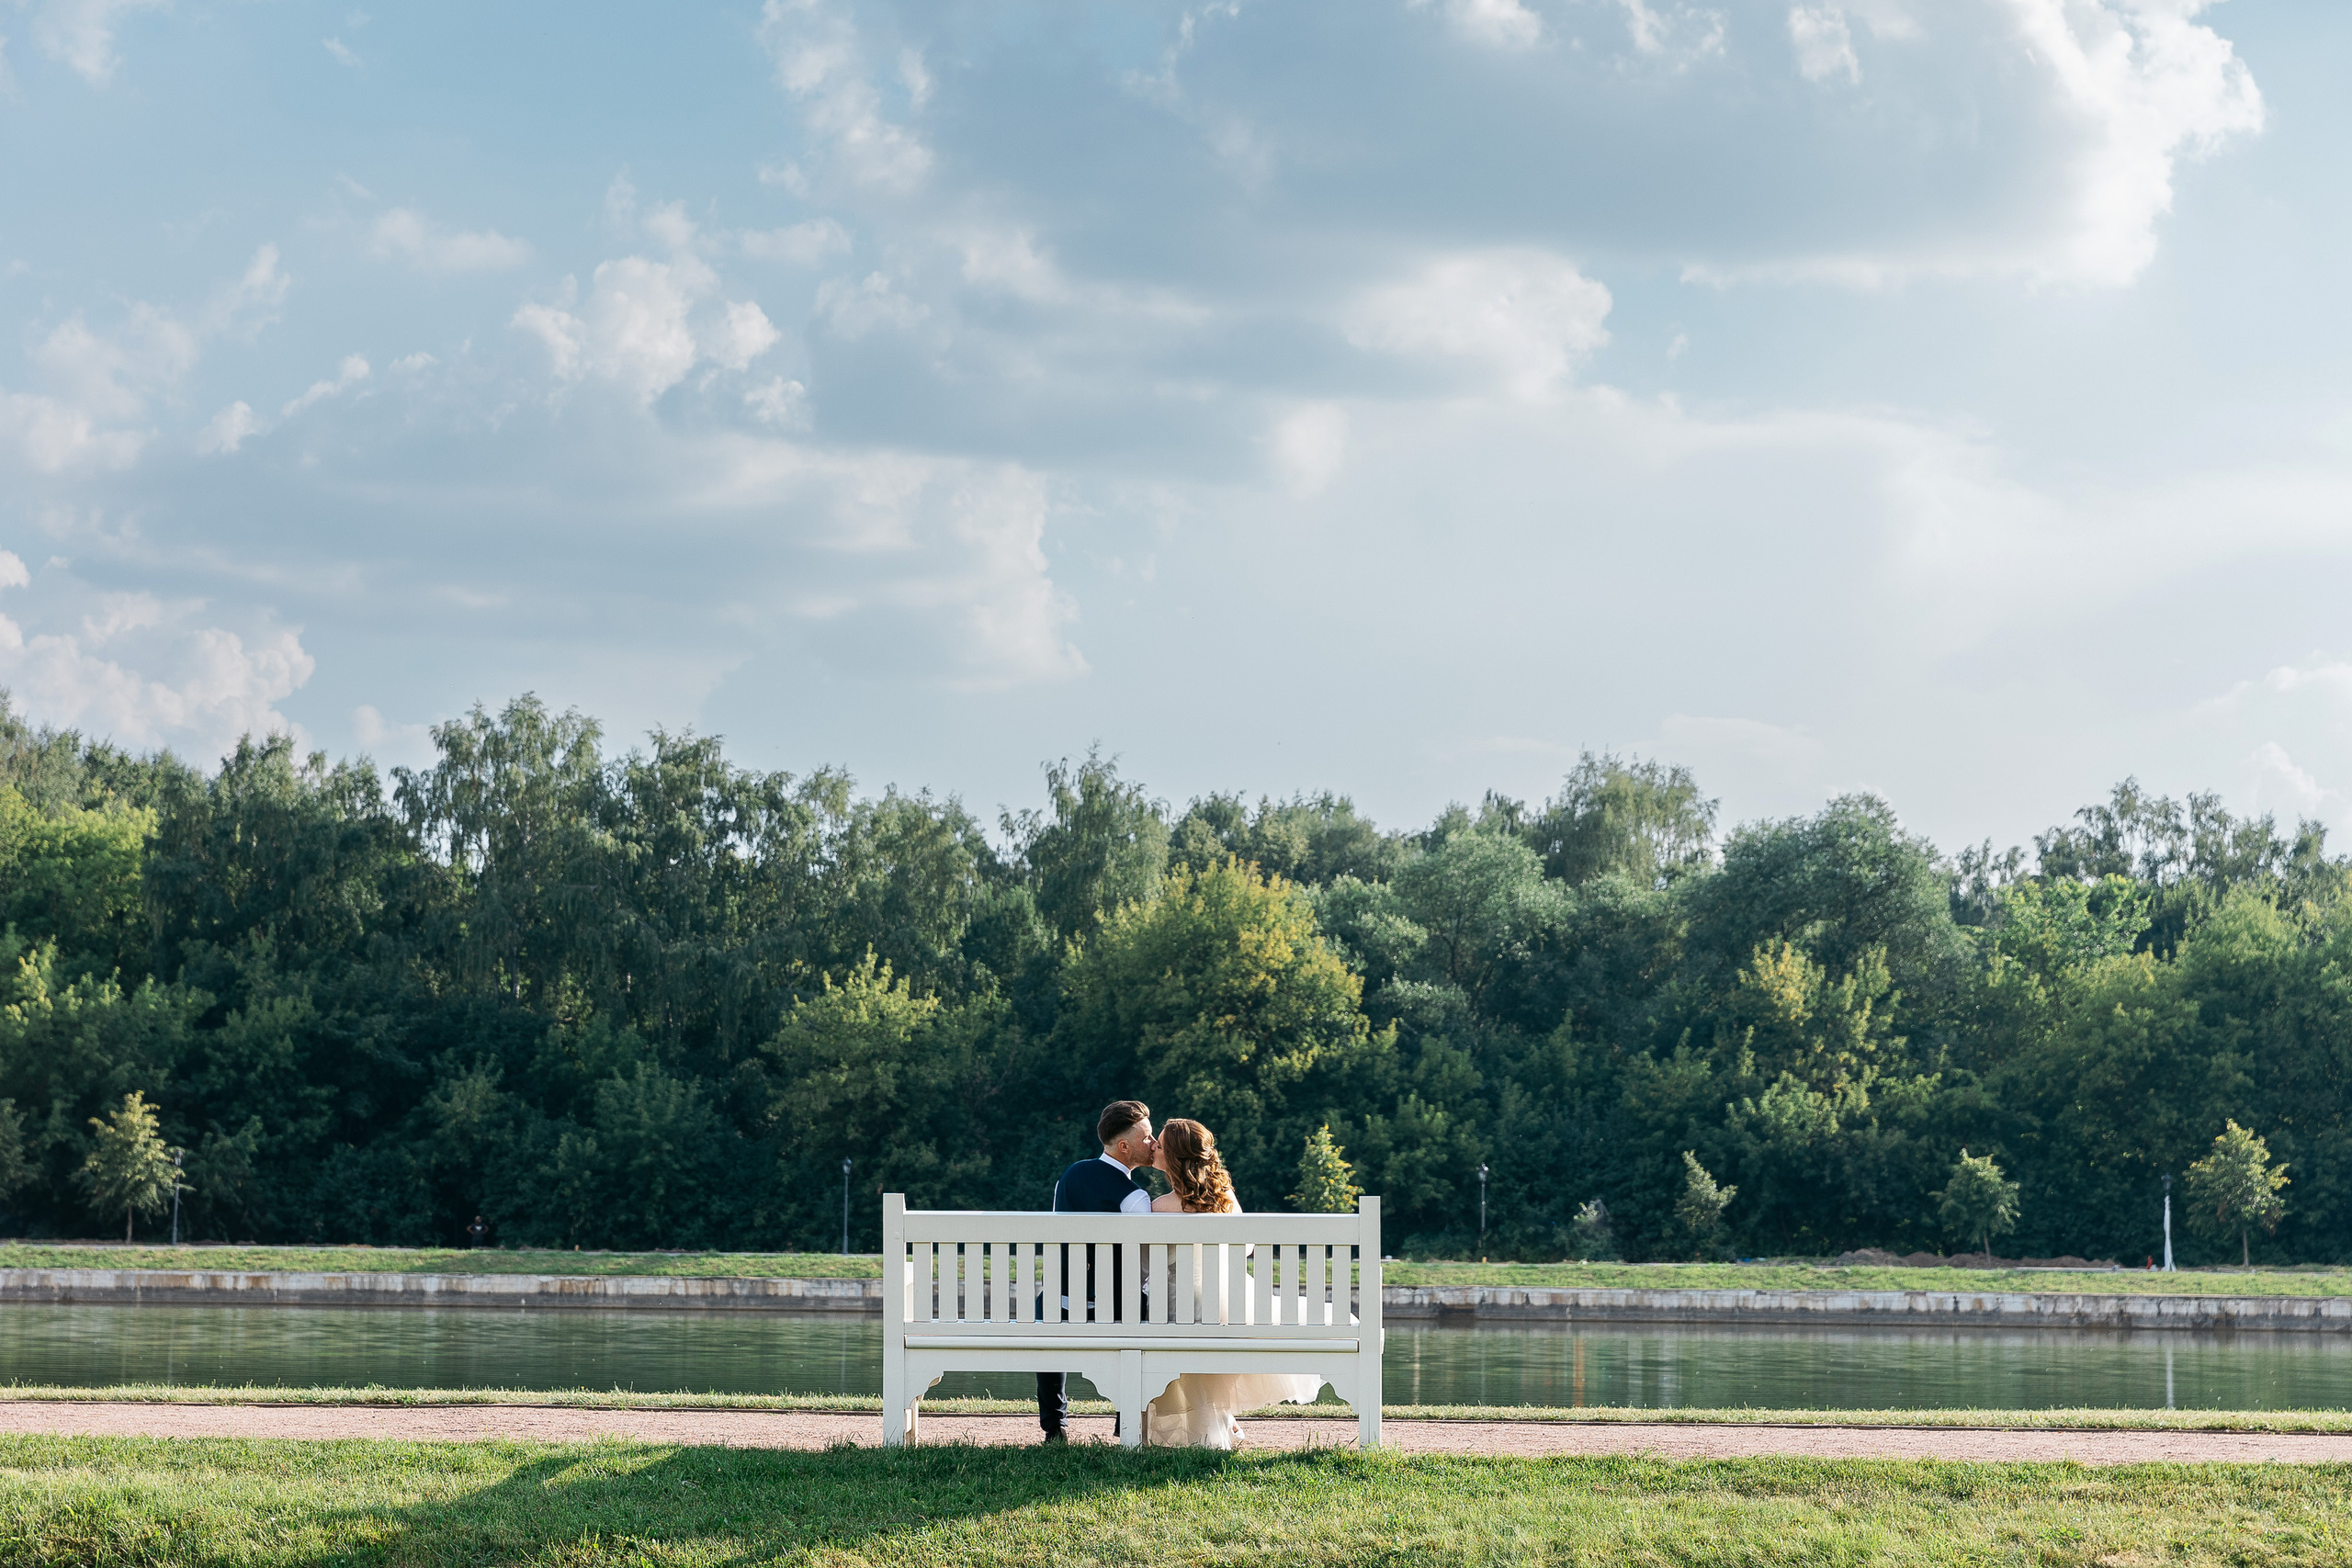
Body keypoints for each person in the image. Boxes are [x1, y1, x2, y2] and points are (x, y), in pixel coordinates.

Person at [1140, 1117, 1325, 1448]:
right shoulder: (1224, 1197)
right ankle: (1223, 1423)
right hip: (1233, 1298)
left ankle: (1213, 1430)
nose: (1154, 1145)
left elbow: (1144, 1263)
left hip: (1183, 1302)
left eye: (1161, 1144)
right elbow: (1248, 1247)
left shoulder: (1158, 1208)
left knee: (1176, 1322)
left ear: (1175, 1158)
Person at [1035, 1099, 1156, 1444]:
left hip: (1059, 1305)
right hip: (1114, 1310)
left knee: (1047, 1304)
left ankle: (1055, 1427)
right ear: (1124, 1146)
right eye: (1147, 1137)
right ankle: (1125, 1421)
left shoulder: (1069, 1176)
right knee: (1143, 1302)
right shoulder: (1134, 1198)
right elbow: (1142, 1264)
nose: (1153, 1143)